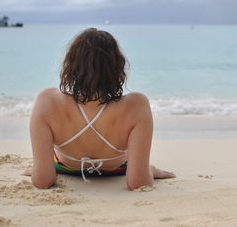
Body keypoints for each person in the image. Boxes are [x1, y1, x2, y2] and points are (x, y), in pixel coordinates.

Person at [23, 28, 175, 190]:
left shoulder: (48, 101)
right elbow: (138, 183)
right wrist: (149, 170)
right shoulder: (136, 104)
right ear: (116, 67)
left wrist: (41, 168)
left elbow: (42, 181)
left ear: (71, 65)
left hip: (66, 167)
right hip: (116, 169)